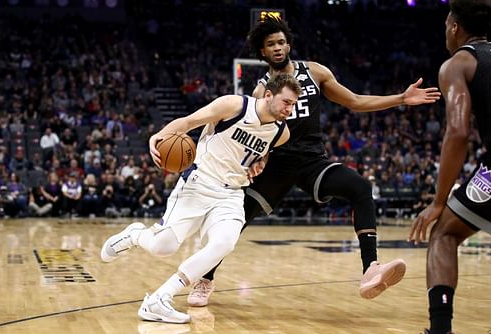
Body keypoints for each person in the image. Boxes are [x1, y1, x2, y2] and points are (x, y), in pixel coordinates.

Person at [187, 14, 442, 307]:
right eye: (271, 44)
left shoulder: (315, 72)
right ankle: (204, 279)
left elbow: (355, 101)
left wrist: (400, 98)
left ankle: (370, 269)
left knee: (360, 187)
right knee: (235, 221)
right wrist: (256, 159)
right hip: (277, 166)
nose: (278, 47)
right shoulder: (261, 90)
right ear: (262, 51)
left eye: (282, 42)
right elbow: (258, 134)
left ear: (289, 44)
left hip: (312, 162)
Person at [100, 73, 302, 323]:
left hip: (231, 194)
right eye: (286, 102)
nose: (289, 109)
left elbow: (264, 151)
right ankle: (135, 235)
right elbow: (189, 122)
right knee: (164, 247)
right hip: (199, 183)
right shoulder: (235, 105)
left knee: (224, 244)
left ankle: (160, 298)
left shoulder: (282, 132)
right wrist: (158, 136)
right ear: (269, 95)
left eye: (293, 104)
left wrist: (258, 162)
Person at [408, 1, 491, 333]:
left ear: (455, 27)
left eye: (446, 23)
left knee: (444, 231)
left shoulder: (459, 63)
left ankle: (441, 329)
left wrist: (439, 200)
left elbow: (458, 132)